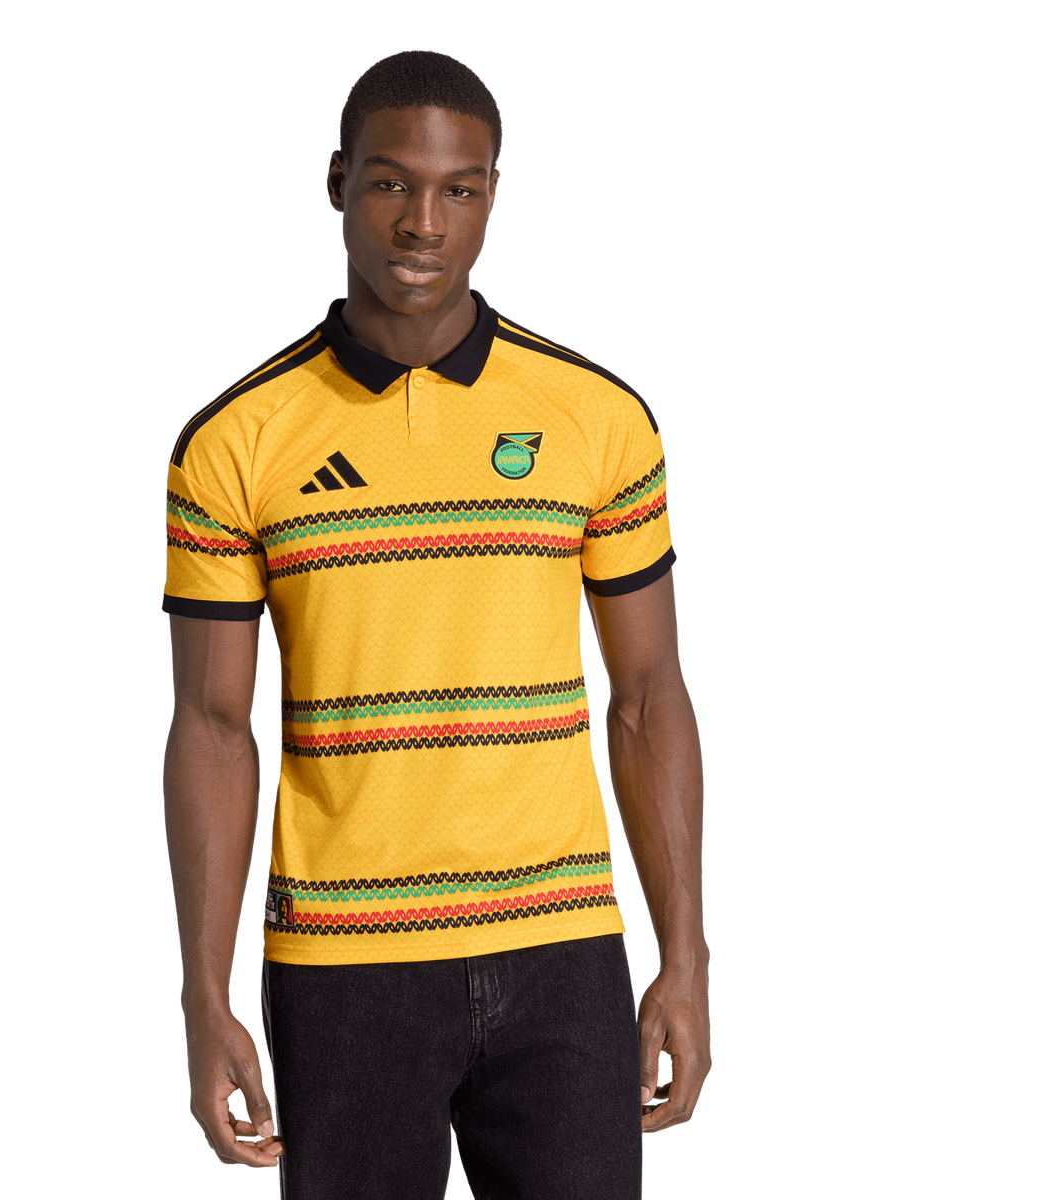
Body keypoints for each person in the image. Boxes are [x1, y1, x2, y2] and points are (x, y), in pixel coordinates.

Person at [161, 46, 711, 1198]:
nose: (424, 223)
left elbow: (650, 693)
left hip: (562, 946)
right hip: (343, 963)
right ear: (336, 184)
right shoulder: (235, 442)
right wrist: (203, 996)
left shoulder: (599, 419)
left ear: (494, 196)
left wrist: (686, 953)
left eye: (460, 189)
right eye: (390, 183)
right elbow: (211, 724)